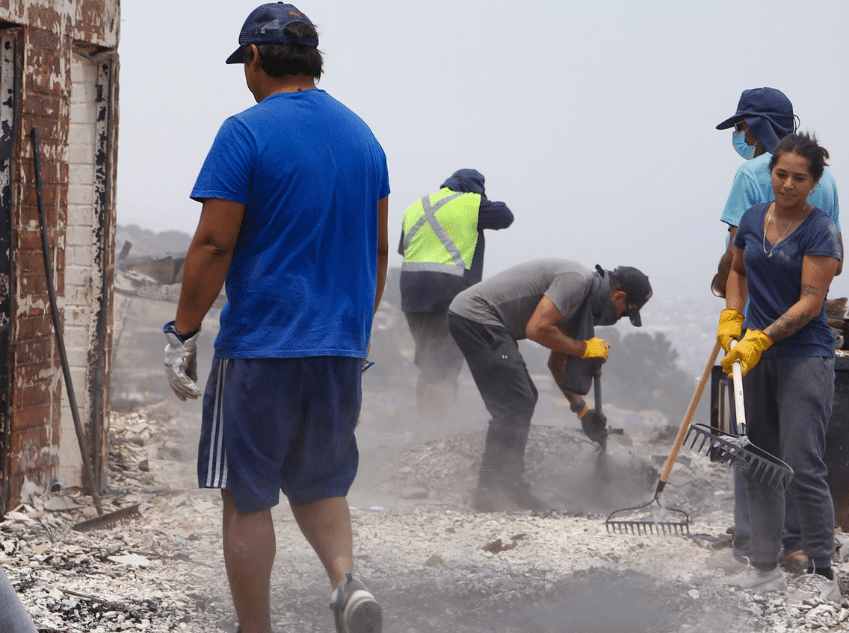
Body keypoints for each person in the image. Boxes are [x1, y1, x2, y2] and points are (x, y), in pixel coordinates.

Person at [161, 4, 388, 632]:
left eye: (245, 65)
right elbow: (374, 255)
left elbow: (213, 243)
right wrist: (352, 336)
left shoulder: (246, 131)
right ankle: (346, 581)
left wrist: (182, 331)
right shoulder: (364, 137)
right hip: (341, 347)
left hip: (263, 344)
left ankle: (254, 629)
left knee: (246, 495)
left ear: (255, 59)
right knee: (321, 484)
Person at [710, 87, 843, 575]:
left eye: (798, 178)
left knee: (802, 463)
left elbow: (813, 299)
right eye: (781, 175)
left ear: (812, 182)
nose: (787, 184)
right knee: (756, 459)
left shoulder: (816, 225)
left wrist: (763, 336)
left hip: (802, 352)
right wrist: (732, 317)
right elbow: (737, 268)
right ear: (772, 174)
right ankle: (764, 562)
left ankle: (820, 565)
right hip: (754, 349)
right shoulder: (753, 216)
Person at [446, 259, 652, 511]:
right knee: (516, 402)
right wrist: (583, 348)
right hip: (476, 315)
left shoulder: (582, 306)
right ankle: (490, 490)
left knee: (522, 398)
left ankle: (509, 486)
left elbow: (557, 364)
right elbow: (536, 329)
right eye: (624, 313)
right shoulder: (576, 282)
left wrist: (582, 411)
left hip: (482, 320)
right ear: (618, 296)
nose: (618, 319)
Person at [399, 169, 513, 420]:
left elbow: (403, 250)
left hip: (412, 297)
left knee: (429, 366)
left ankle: (425, 427)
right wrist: (479, 198)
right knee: (445, 370)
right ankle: (438, 431)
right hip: (447, 295)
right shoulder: (471, 203)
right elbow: (505, 215)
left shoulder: (416, 206)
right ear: (475, 189)